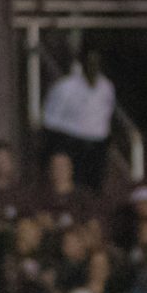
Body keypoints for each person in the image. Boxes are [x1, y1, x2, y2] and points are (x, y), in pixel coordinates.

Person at [40, 45, 118, 192]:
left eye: (97, 62)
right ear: (82, 63)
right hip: (72, 143)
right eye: (89, 62)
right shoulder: (65, 87)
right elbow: (50, 119)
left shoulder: (106, 87)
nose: (93, 66)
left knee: (95, 186)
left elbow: (105, 115)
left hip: (97, 145)